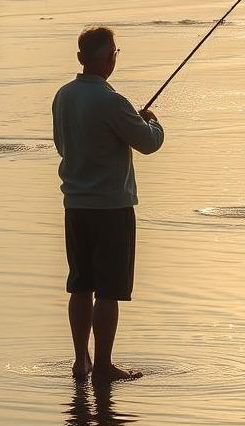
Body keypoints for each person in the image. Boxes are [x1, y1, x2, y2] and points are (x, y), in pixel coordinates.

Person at [52, 25, 165, 382]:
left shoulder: (63, 96)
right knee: (109, 291)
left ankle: (80, 361)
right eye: (113, 53)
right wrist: (152, 121)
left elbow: (62, 144)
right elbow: (148, 143)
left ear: (81, 59)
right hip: (112, 208)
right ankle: (102, 365)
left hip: (76, 205)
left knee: (80, 285)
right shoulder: (113, 101)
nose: (113, 59)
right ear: (105, 59)